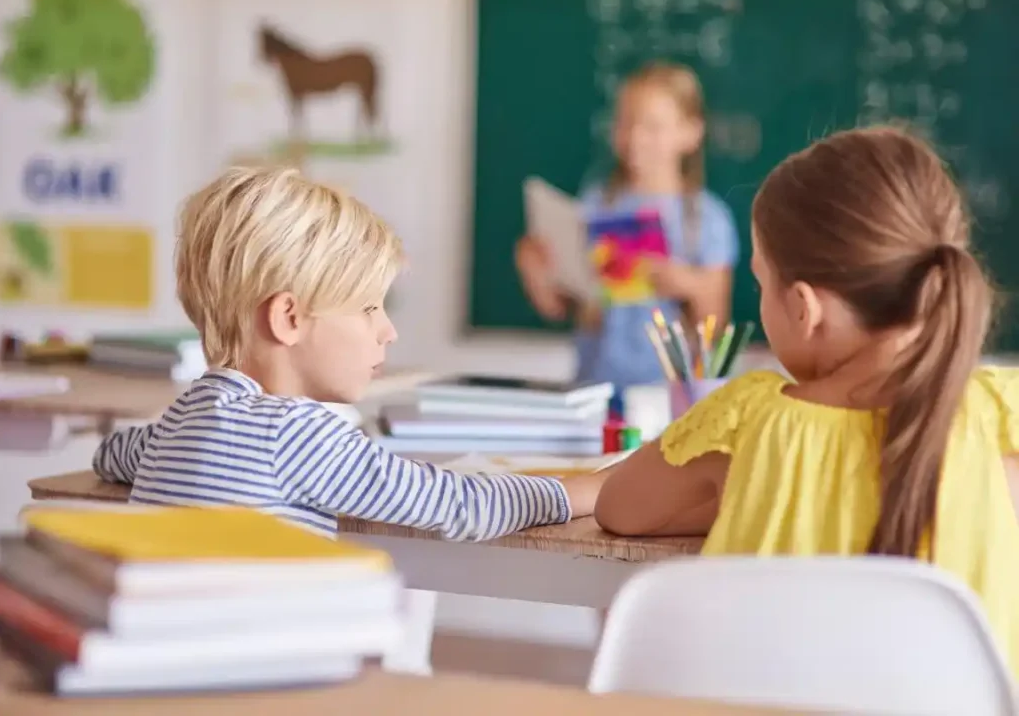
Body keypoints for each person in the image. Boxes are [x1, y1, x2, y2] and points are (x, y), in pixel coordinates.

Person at [593, 125, 1019, 678]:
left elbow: (619, 509)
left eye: (761, 283)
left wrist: (742, 490)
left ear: (803, 308)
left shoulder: (751, 420)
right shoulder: (996, 416)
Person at [93, 166, 607, 542]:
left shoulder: (184, 417)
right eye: (368, 308)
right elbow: (460, 503)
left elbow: (111, 455)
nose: (388, 331)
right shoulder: (297, 435)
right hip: (262, 671)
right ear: (288, 319)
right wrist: (583, 492)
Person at [516, 63, 739, 410]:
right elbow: (562, 307)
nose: (635, 137)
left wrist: (688, 284)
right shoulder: (595, 205)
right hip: (595, 390)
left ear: (691, 133)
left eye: (652, 126)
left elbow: (715, 327)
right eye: (625, 122)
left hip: (670, 400)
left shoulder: (706, 219)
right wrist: (536, 273)